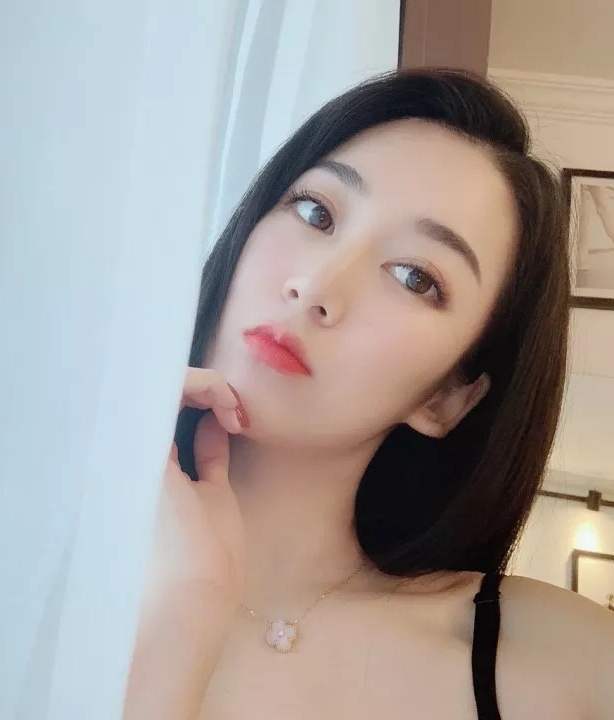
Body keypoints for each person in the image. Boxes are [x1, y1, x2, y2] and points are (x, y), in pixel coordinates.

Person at [124, 68, 614, 720]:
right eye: (315, 212)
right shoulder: (29, 534)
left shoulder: (554, 665)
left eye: (413, 276)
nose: (317, 285)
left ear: (448, 397)